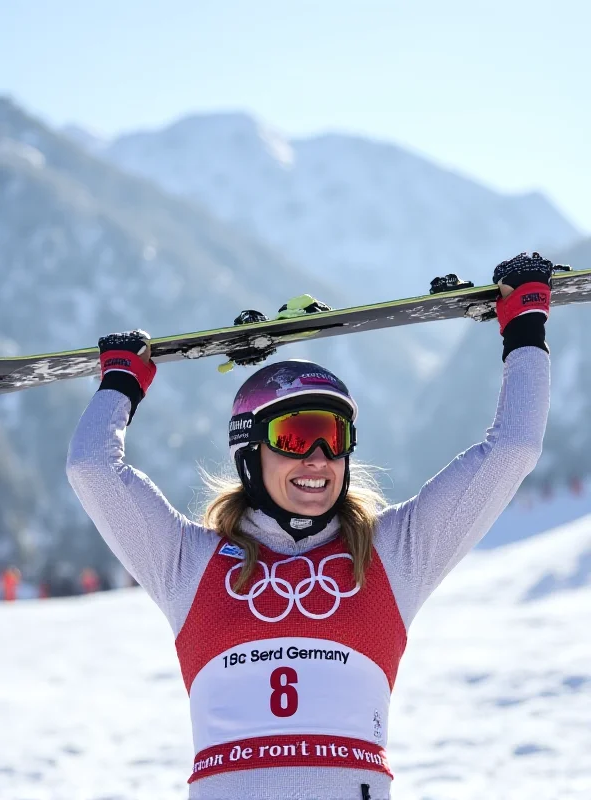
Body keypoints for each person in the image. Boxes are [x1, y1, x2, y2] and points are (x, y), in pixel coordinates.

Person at [67, 252, 553, 800]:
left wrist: (525, 328)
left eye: (335, 436)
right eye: (297, 437)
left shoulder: (394, 554)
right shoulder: (187, 564)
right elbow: (91, 467)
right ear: (250, 453)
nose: (319, 457)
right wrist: (121, 385)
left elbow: (513, 448)